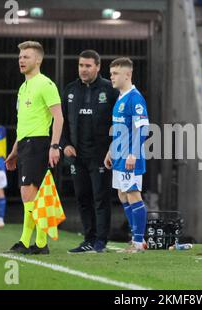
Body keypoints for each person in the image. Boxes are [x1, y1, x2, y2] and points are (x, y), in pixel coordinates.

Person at [5, 41, 63, 255]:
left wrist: (54, 145)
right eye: (20, 57)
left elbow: (58, 117)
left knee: (29, 193)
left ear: (38, 60)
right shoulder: (23, 87)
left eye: (26, 56)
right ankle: (34, 243)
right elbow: (23, 124)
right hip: (25, 144)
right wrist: (14, 150)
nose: (21, 60)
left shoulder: (45, 84)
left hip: (38, 143)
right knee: (31, 195)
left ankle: (36, 242)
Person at [61, 50, 119, 254]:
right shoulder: (70, 90)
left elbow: (118, 121)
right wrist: (65, 144)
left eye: (87, 66)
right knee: (82, 198)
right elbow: (62, 122)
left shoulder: (109, 90)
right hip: (77, 157)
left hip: (101, 156)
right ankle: (88, 239)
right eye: (80, 65)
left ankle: (101, 241)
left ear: (97, 67)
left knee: (100, 198)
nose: (83, 69)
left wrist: (113, 148)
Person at [104, 57, 149, 253]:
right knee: (122, 194)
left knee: (132, 193)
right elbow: (121, 128)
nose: (111, 77)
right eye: (111, 73)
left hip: (131, 155)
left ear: (127, 75)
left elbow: (143, 128)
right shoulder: (120, 98)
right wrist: (111, 150)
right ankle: (136, 239)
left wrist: (133, 154)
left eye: (115, 73)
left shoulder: (135, 97)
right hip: (119, 154)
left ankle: (138, 242)